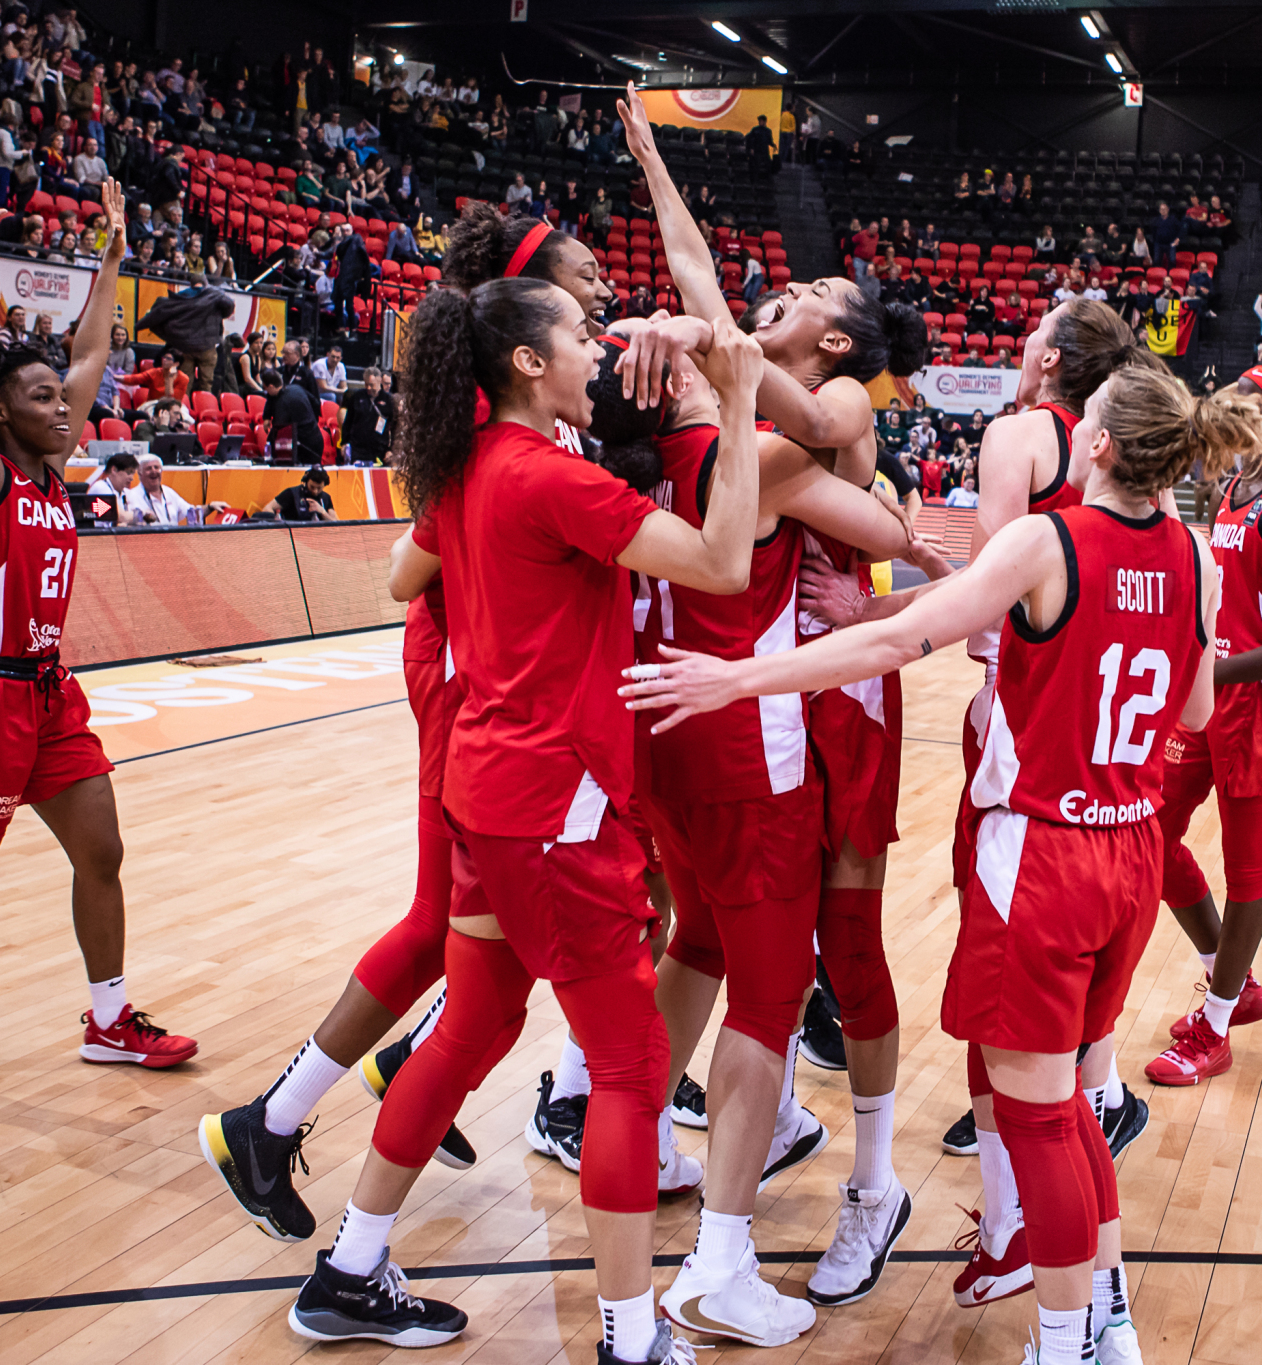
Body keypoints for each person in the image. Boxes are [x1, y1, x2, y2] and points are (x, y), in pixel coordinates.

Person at [622, 362, 1244, 1365]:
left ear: (1094, 446)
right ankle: (1105, 1323)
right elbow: (1195, 713)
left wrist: (739, 674)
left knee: (1036, 1117)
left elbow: (900, 637)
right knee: (1076, 1098)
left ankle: (1058, 1342)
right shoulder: (1191, 558)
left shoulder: (1043, 541)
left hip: (1043, 850)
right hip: (1133, 846)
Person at [282, 279, 763, 1365]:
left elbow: (404, 576)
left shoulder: (463, 470)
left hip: (486, 793)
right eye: (582, 336)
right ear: (530, 366)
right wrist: (734, 406)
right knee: (635, 1069)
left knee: (470, 1027)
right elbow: (724, 565)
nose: (599, 350)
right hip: (551, 807)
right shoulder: (550, 477)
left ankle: (350, 1269)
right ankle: (630, 1340)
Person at [615, 85, 933, 1300]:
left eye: (808, 299)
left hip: (829, 693)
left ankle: (869, 1179)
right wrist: (656, 170)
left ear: (838, 341)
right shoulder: (750, 410)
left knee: (838, 943)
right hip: (753, 674)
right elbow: (698, 278)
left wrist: (703, 343)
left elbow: (817, 465)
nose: (782, 294)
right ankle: (654, 1121)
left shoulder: (843, 403)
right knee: (711, 933)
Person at [593, 328, 915, 1335]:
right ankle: (719, 1265)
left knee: (694, 942)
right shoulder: (755, 459)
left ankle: (641, 1139)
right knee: (769, 1001)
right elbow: (886, 529)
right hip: (749, 756)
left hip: (662, 751)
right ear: (679, 382)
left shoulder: (619, 475)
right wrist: (884, 506)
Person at [866, 299, 1163, 1311]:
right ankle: (1088, 1138)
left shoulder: (1013, 438)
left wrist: (867, 603)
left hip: (1026, 734)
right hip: (1122, 794)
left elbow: (985, 590)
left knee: (1017, 1028)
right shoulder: (1184, 543)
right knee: (1069, 1044)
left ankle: (1026, 1252)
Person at [0, 160, 195, 1090]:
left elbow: (92, 355)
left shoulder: (50, 464)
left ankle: (108, 1019)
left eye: (65, 398)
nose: (68, 408)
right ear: (3, 412)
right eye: (46, 398)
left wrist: (115, 262)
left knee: (103, 848)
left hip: (49, 695)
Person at [1146, 355, 1262, 1089]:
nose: (1229, 401)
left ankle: (1215, 1028)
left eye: (1247, 396)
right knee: (1150, 826)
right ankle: (1231, 976)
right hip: (1214, 689)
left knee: (1244, 863)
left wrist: (1210, 669)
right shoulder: (1232, 486)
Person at [123, 452, 227, 524]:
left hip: (172, 545)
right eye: (148, 469)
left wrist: (210, 507)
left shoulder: (169, 493)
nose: (154, 471)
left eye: (157, 468)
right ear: (140, 473)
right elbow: (119, 518)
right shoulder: (130, 496)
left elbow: (191, 513)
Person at [261, 367, 325, 464]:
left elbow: (278, 430)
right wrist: (267, 417)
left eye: (265, 389)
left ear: (270, 386)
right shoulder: (296, 388)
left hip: (304, 447)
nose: (266, 393)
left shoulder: (282, 403)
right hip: (316, 436)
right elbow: (315, 403)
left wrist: (268, 445)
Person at [341, 366, 396, 464]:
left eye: (371, 385)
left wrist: (390, 449)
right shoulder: (357, 397)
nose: (368, 388)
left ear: (379, 381)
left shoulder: (389, 400)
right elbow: (348, 422)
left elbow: (395, 427)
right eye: (366, 384)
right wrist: (344, 442)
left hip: (379, 449)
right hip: (357, 448)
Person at [84, 450, 140, 525]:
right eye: (129, 472)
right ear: (114, 470)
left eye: (133, 474)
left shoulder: (125, 492)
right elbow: (120, 516)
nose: (131, 478)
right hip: (97, 535)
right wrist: (140, 515)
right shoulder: (100, 487)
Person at [267, 465, 337, 520]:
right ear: (306, 482)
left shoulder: (326, 497)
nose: (315, 491)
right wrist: (278, 524)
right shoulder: (291, 493)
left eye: (319, 488)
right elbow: (267, 508)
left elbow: (336, 523)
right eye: (312, 487)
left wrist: (322, 512)